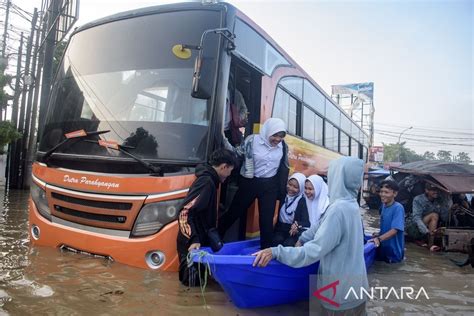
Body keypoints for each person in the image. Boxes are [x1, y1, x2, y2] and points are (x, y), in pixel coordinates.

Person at [252, 157, 368, 315]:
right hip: (358, 288)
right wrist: (303, 238)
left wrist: (276, 252)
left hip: (338, 295)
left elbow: (314, 251)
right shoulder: (351, 204)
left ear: (337, 178)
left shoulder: (338, 210)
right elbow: (319, 225)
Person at [219, 117, 289, 249]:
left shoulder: (283, 146)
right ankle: (215, 237)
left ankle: (266, 250)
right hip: (250, 182)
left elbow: (284, 166)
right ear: (268, 131)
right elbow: (237, 153)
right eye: (275, 135)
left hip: (270, 185)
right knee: (234, 212)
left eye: (281, 136)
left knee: (266, 221)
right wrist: (224, 139)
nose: (278, 140)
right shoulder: (252, 140)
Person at [176, 148, 236, 287]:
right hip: (192, 245)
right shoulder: (206, 182)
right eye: (230, 171)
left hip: (199, 241)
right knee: (191, 286)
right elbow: (184, 212)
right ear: (224, 167)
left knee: (199, 284)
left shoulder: (210, 180)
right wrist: (193, 239)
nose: (229, 175)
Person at [369, 180, 405, 263]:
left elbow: (395, 230)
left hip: (394, 252)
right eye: (381, 192)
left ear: (395, 194)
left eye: (386, 192)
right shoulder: (383, 207)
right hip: (384, 248)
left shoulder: (398, 208)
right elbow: (386, 226)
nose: (382, 195)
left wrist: (379, 238)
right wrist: (379, 234)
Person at [406, 182, 447, 252]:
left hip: (431, 226)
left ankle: (431, 239)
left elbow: (444, 217)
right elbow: (416, 218)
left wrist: (448, 205)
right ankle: (431, 243)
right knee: (434, 215)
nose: (436, 192)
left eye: (437, 190)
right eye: (433, 190)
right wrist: (426, 231)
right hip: (415, 227)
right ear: (426, 190)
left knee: (436, 216)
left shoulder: (440, 200)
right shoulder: (418, 199)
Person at [272, 173, 309, 247]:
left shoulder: (302, 201)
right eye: (290, 184)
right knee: (275, 241)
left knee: (288, 245)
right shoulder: (283, 196)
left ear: (301, 188)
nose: (291, 188)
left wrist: (297, 225)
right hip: (280, 228)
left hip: (293, 231)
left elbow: (306, 221)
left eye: (295, 187)